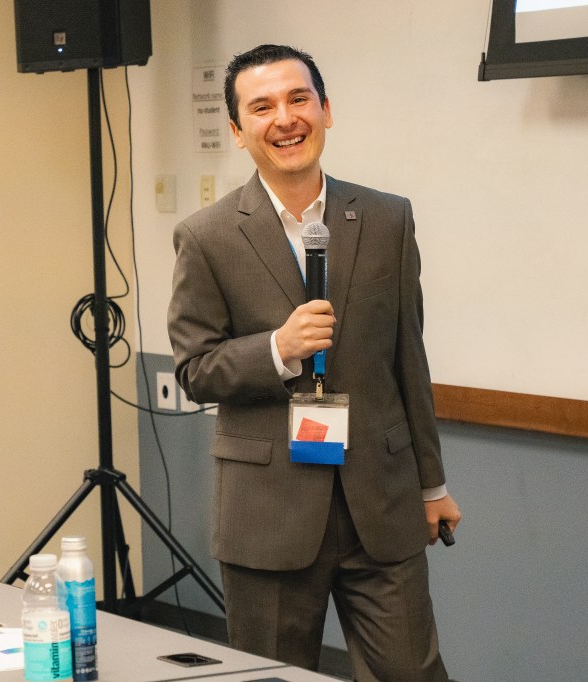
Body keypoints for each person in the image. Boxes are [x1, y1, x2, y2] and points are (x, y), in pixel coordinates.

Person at [167, 44, 461, 681]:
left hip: (380, 503)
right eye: (262, 107)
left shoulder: (387, 218)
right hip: (267, 512)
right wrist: (277, 348)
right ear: (238, 131)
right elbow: (195, 370)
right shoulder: (207, 236)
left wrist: (431, 485)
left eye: (299, 99)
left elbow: (409, 359)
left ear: (326, 110)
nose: (285, 118)